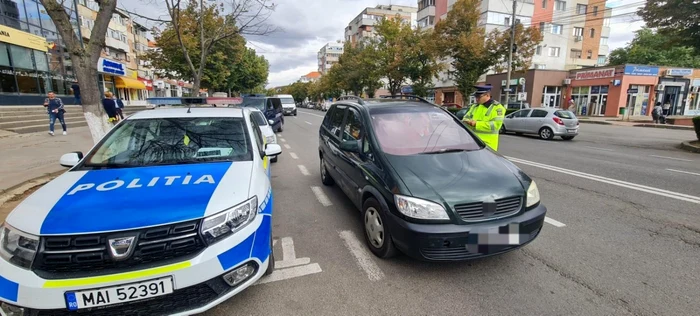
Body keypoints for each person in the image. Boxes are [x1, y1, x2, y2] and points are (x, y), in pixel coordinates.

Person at [462, 85, 506, 151]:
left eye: (479, 97)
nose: (477, 99)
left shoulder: (497, 108)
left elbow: (496, 125)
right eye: (476, 97)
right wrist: (468, 121)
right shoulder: (475, 106)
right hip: (473, 142)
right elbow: (465, 119)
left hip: (488, 145)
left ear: (487, 95)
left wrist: (476, 124)